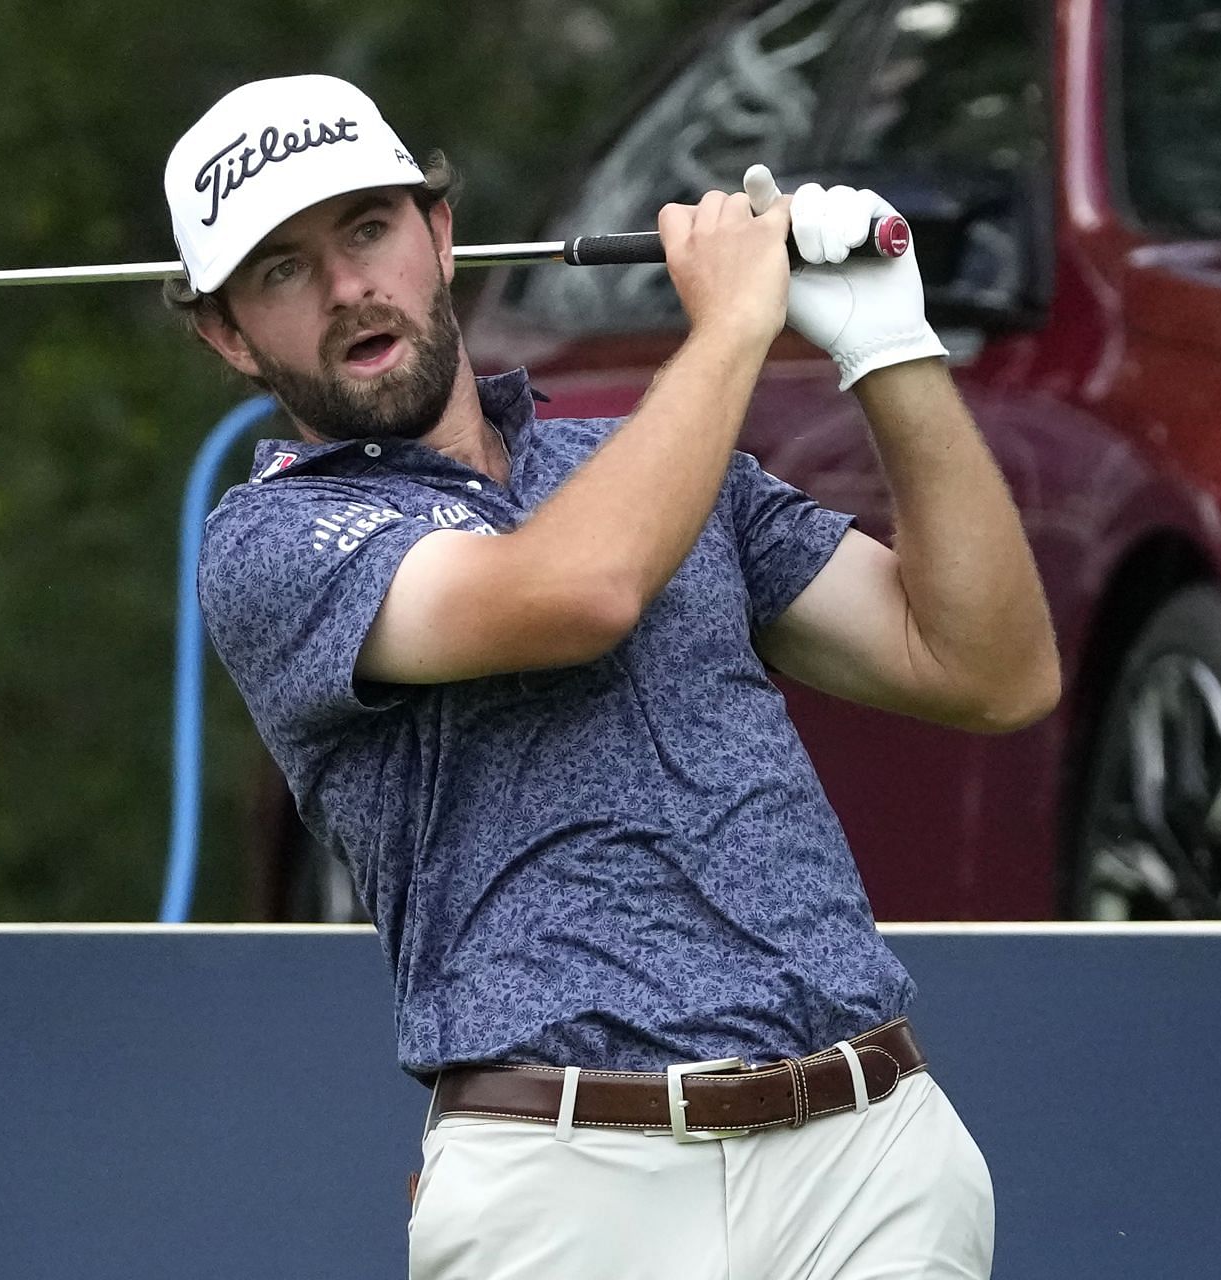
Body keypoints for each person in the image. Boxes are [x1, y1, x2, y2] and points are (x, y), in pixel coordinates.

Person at [165, 73, 1058, 1280]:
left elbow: (990, 667)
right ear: (226, 333)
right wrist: (736, 321)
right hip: (573, 1176)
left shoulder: (650, 466)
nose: (344, 288)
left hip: (870, 1151)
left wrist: (890, 346)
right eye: (281, 268)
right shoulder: (270, 541)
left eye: (368, 229)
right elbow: (573, 595)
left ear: (439, 230)